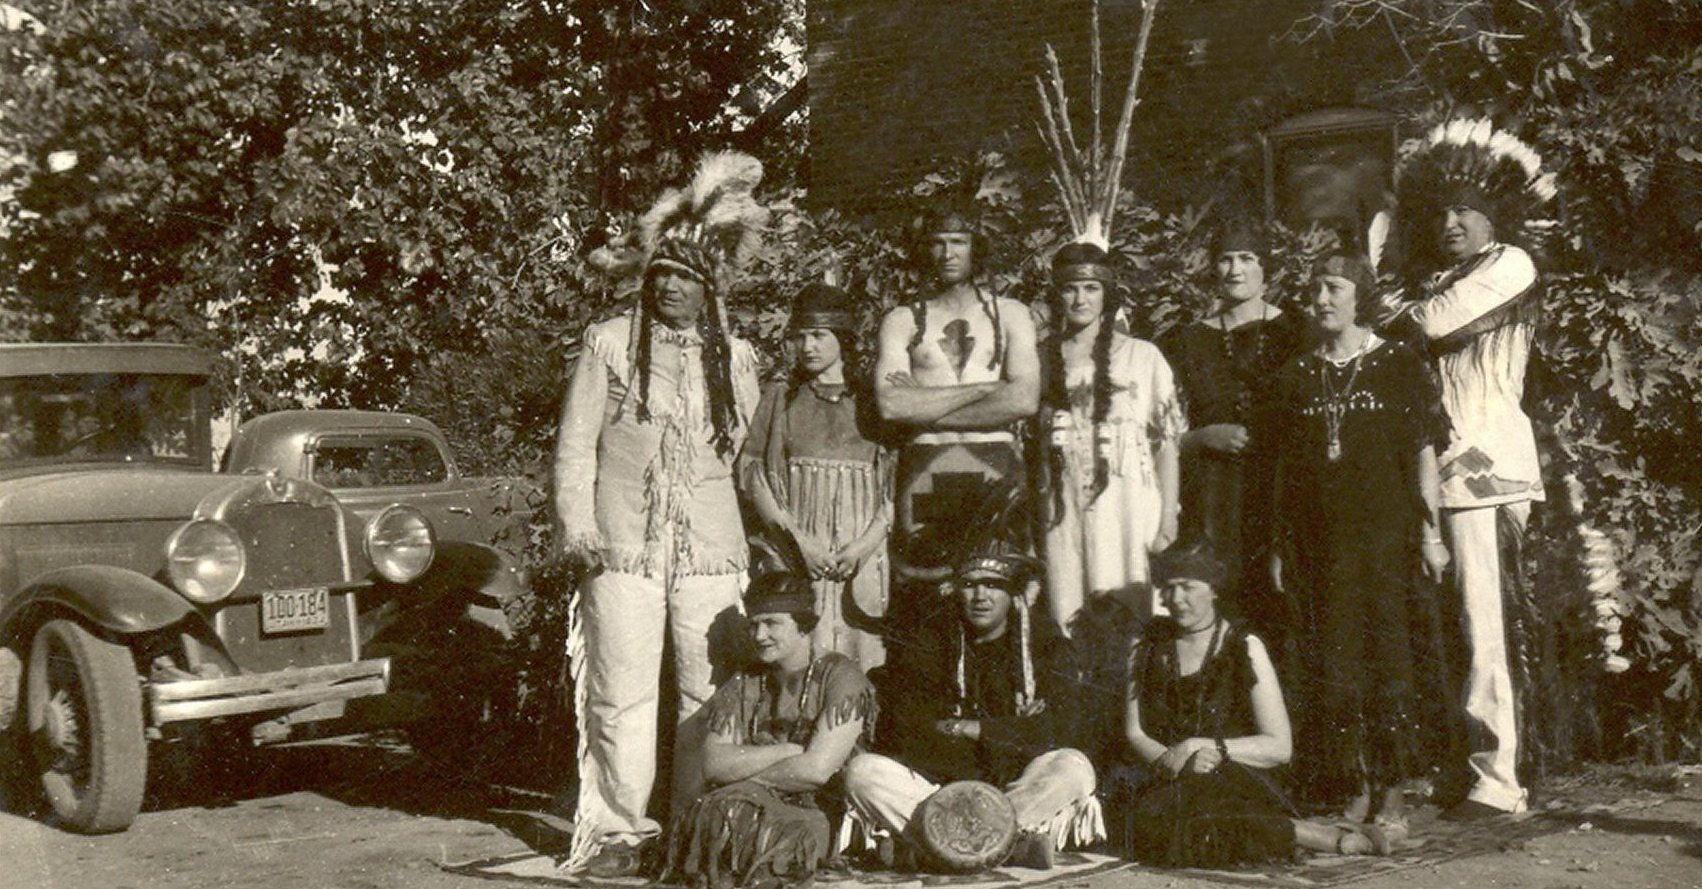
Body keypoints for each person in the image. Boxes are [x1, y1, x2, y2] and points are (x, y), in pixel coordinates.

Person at [555, 151, 768, 874]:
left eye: (688, 278)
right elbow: (577, 443)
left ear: (710, 288)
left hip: (712, 545)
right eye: (664, 276)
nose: (673, 288)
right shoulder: (611, 343)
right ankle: (619, 831)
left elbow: (746, 452)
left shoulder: (735, 357)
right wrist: (578, 526)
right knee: (621, 688)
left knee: (709, 690)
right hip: (622, 542)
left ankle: (696, 825)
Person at [1374, 118, 1560, 820]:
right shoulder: (1435, 276)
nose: (1451, 223)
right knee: (1442, 622)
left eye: (1465, 211)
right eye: (1442, 211)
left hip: (1487, 466)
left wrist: (1390, 303)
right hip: (1433, 471)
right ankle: (1457, 762)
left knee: (1486, 617)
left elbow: (1420, 327)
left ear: (1494, 217)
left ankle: (1500, 774)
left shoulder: (1510, 265)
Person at [1269, 252, 1453, 827]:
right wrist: (1280, 547)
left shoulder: (1398, 363)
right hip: (1323, 547)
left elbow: (1423, 453)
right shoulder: (1295, 376)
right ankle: (1352, 787)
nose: (1322, 300)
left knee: (1390, 660)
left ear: (1361, 295)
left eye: (1335, 288)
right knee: (1335, 664)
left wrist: (1431, 536)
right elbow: (1286, 474)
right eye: (1315, 290)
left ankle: (1393, 789)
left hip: (1387, 542)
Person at [842, 489, 1101, 871]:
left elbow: (1062, 728)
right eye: (970, 584)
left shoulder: (1046, 645)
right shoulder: (931, 642)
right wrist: (1012, 732)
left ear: (1013, 593)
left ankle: (931, 848)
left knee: (1074, 768)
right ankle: (1011, 846)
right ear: (954, 590)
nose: (980, 596)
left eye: (993, 585)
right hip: (942, 786)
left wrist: (973, 729)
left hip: (1015, 786)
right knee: (863, 774)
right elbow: (911, 730)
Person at [1114, 542, 1398, 866]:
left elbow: (1279, 747)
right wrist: (1173, 760)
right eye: (1168, 588)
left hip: (1235, 773)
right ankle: (1310, 834)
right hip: (1164, 773)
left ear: (1214, 589)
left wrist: (1203, 746)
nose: (1177, 600)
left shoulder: (1244, 646)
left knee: (1204, 814)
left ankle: (1323, 837)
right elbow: (1134, 732)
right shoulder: (1146, 645)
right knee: (1150, 825)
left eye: (1188, 588)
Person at [874, 204, 1040, 635]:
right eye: (937, 242)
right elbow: (892, 406)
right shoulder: (903, 319)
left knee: (999, 587)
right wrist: (987, 387)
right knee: (927, 594)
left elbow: (1023, 399)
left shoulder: (1011, 314)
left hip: (997, 469)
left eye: (958, 242)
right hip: (926, 470)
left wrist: (926, 403)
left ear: (976, 247)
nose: (947, 252)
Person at [660, 571, 876, 889]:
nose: (759, 635)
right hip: (749, 798)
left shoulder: (841, 676)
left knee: (754, 828)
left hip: (818, 809)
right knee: (715, 815)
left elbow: (816, 770)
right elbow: (714, 764)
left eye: (772, 623)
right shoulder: (746, 679)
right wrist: (786, 751)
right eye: (754, 624)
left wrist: (742, 774)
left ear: (803, 624)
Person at [1158, 222, 1305, 657]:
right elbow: (1158, 433)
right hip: (1213, 494)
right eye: (1225, 258)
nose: (1235, 270)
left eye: (1247, 259)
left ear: (1267, 268)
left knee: (1280, 591)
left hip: (1276, 486)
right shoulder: (1184, 340)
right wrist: (1202, 436)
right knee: (1221, 587)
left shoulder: (1296, 332)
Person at [740, 283, 890, 672]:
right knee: (801, 656)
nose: (808, 346)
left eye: (819, 335)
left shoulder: (872, 399)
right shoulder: (780, 396)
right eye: (801, 336)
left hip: (861, 557)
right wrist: (798, 542)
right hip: (798, 552)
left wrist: (863, 546)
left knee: (864, 657)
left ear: (843, 338)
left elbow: (896, 484)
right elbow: (753, 472)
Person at [1038, 241, 1184, 633]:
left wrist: (1168, 518)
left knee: (1134, 613)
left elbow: (1166, 444)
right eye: (1070, 288)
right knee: (1070, 610)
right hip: (1064, 510)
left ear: (1107, 294)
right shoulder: (1040, 360)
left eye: (1091, 287)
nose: (1080, 298)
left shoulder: (1143, 357)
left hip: (1130, 509)